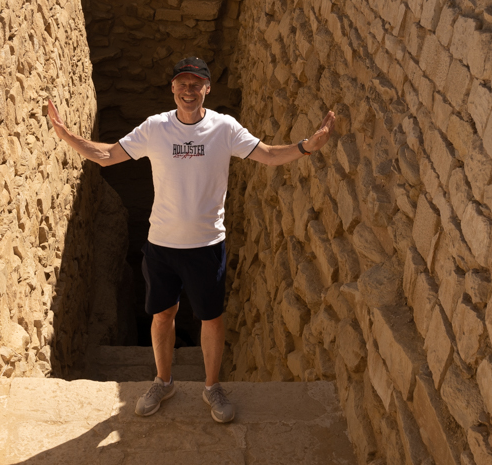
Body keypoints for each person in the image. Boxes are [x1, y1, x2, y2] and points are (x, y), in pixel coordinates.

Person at [46, 55, 336, 423]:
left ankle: (212, 388)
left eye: (196, 84)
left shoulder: (224, 128)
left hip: (206, 245)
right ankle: (163, 381)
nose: (188, 90)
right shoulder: (154, 128)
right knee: (162, 315)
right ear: (172, 88)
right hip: (162, 246)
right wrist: (66, 135)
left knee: (211, 319)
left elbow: (267, 155)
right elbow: (106, 156)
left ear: (207, 89)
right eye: (182, 84)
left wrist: (307, 146)